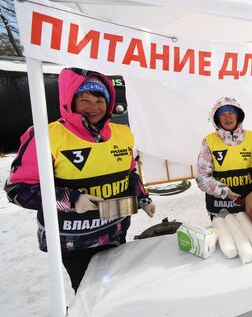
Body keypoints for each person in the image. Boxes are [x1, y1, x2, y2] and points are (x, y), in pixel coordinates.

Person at [4, 67, 156, 292]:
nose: (94, 107)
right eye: (84, 100)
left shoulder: (123, 134)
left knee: (119, 291)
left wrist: (142, 197)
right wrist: (72, 199)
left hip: (114, 232)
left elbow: (129, 174)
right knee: (92, 296)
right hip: (74, 242)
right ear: (69, 101)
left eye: (99, 99)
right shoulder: (47, 137)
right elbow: (17, 188)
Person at [196, 96, 252, 219]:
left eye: (231, 113)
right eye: (222, 114)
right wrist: (225, 192)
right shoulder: (209, 141)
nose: (228, 118)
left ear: (238, 116)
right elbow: (202, 177)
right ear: (217, 118)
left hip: (248, 207)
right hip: (220, 209)